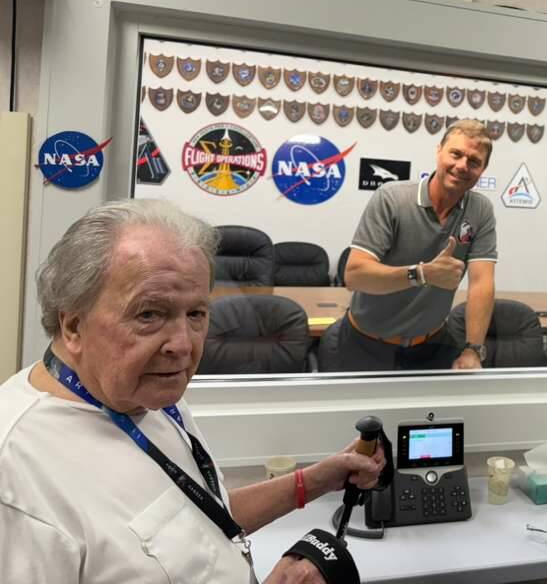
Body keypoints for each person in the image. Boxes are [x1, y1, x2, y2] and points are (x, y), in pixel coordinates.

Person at [0, 199, 384, 583]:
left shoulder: (147, 394)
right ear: (72, 326)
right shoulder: (17, 474)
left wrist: (318, 480)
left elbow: (200, 518)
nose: (183, 345)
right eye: (149, 314)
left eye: (196, 314)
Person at [342, 119, 497, 371]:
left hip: (431, 345)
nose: (462, 165)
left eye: (474, 161)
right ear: (439, 151)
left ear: (483, 169)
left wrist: (473, 349)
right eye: (455, 154)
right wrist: (422, 274)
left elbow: (482, 283)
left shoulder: (480, 209)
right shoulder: (392, 198)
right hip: (365, 344)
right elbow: (355, 276)